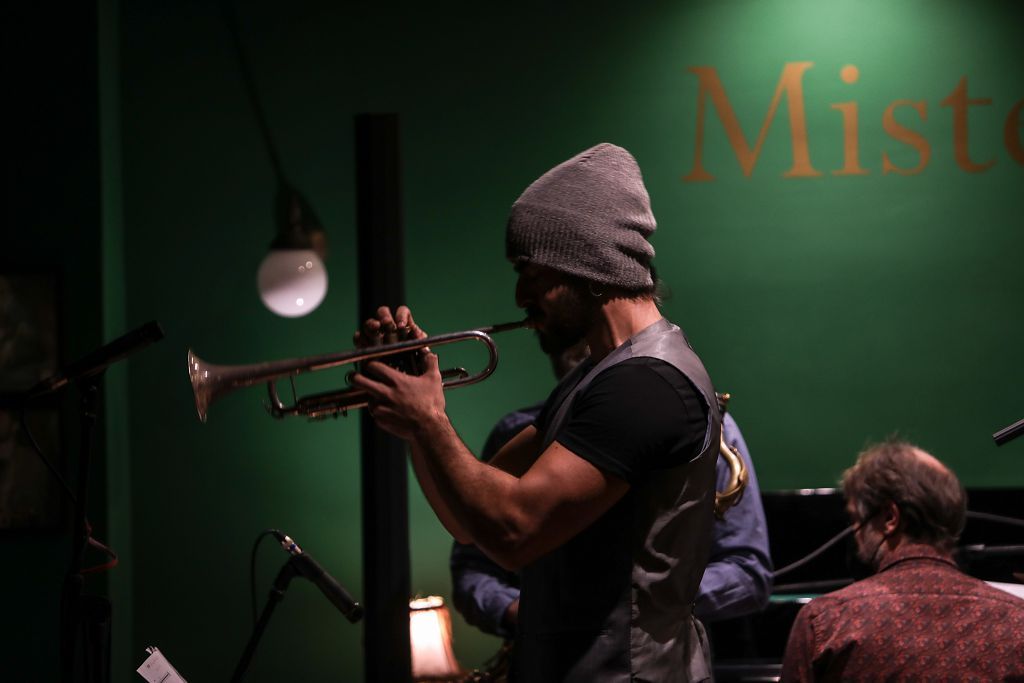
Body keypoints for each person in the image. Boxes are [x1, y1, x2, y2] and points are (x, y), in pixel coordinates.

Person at [353, 143, 723, 681]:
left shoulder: (646, 386)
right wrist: (417, 417)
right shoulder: (595, 378)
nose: (519, 292)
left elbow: (513, 532)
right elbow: (467, 520)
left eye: (528, 268)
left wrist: (429, 419)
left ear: (585, 260)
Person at [450, 368, 772, 643]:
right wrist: (512, 610)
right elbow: (472, 561)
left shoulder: (706, 425)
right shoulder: (515, 431)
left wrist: (630, 604)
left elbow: (747, 572)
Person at [781, 439, 1024, 681]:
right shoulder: (1017, 620)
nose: (855, 532)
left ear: (890, 517)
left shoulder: (826, 621)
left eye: (856, 519)